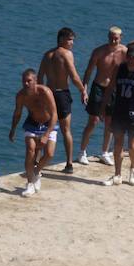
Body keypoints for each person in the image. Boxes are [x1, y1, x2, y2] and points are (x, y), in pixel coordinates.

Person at [101, 44, 134, 187]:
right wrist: (103, 107)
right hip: (119, 110)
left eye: (133, 58)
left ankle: (133, 168)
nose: (130, 60)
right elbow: (110, 88)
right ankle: (117, 174)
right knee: (117, 144)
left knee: (132, 144)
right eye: (128, 57)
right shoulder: (119, 68)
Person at [38, 28, 87, 174]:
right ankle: (69, 164)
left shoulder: (47, 55)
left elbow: (40, 77)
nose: (72, 43)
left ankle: (38, 161)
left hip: (48, 94)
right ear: (61, 39)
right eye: (69, 39)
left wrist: (41, 95)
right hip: (61, 95)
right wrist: (83, 90)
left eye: (72, 40)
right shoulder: (66, 54)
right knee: (66, 130)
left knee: (44, 129)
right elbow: (74, 76)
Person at [78, 27, 126, 165]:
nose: (113, 40)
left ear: (121, 37)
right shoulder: (99, 51)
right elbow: (88, 71)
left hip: (114, 90)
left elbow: (133, 68)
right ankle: (82, 152)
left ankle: (104, 152)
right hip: (98, 87)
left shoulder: (124, 52)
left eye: (116, 37)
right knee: (93, 121)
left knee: (110, 123)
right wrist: (84, 90)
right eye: (111, 37)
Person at [8, 69, 57, 197]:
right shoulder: (21, 95)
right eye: (24, 81)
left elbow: (54, 114)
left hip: (48, 124)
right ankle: (30, 183)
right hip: (32, 123)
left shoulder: (45, 92)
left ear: (35, 81)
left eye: (29, 81)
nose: (26, 84)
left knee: (50, 154)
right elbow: (17, 113)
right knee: (30, 150)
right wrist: (13, 129)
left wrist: (46, 135)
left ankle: (36, 172)